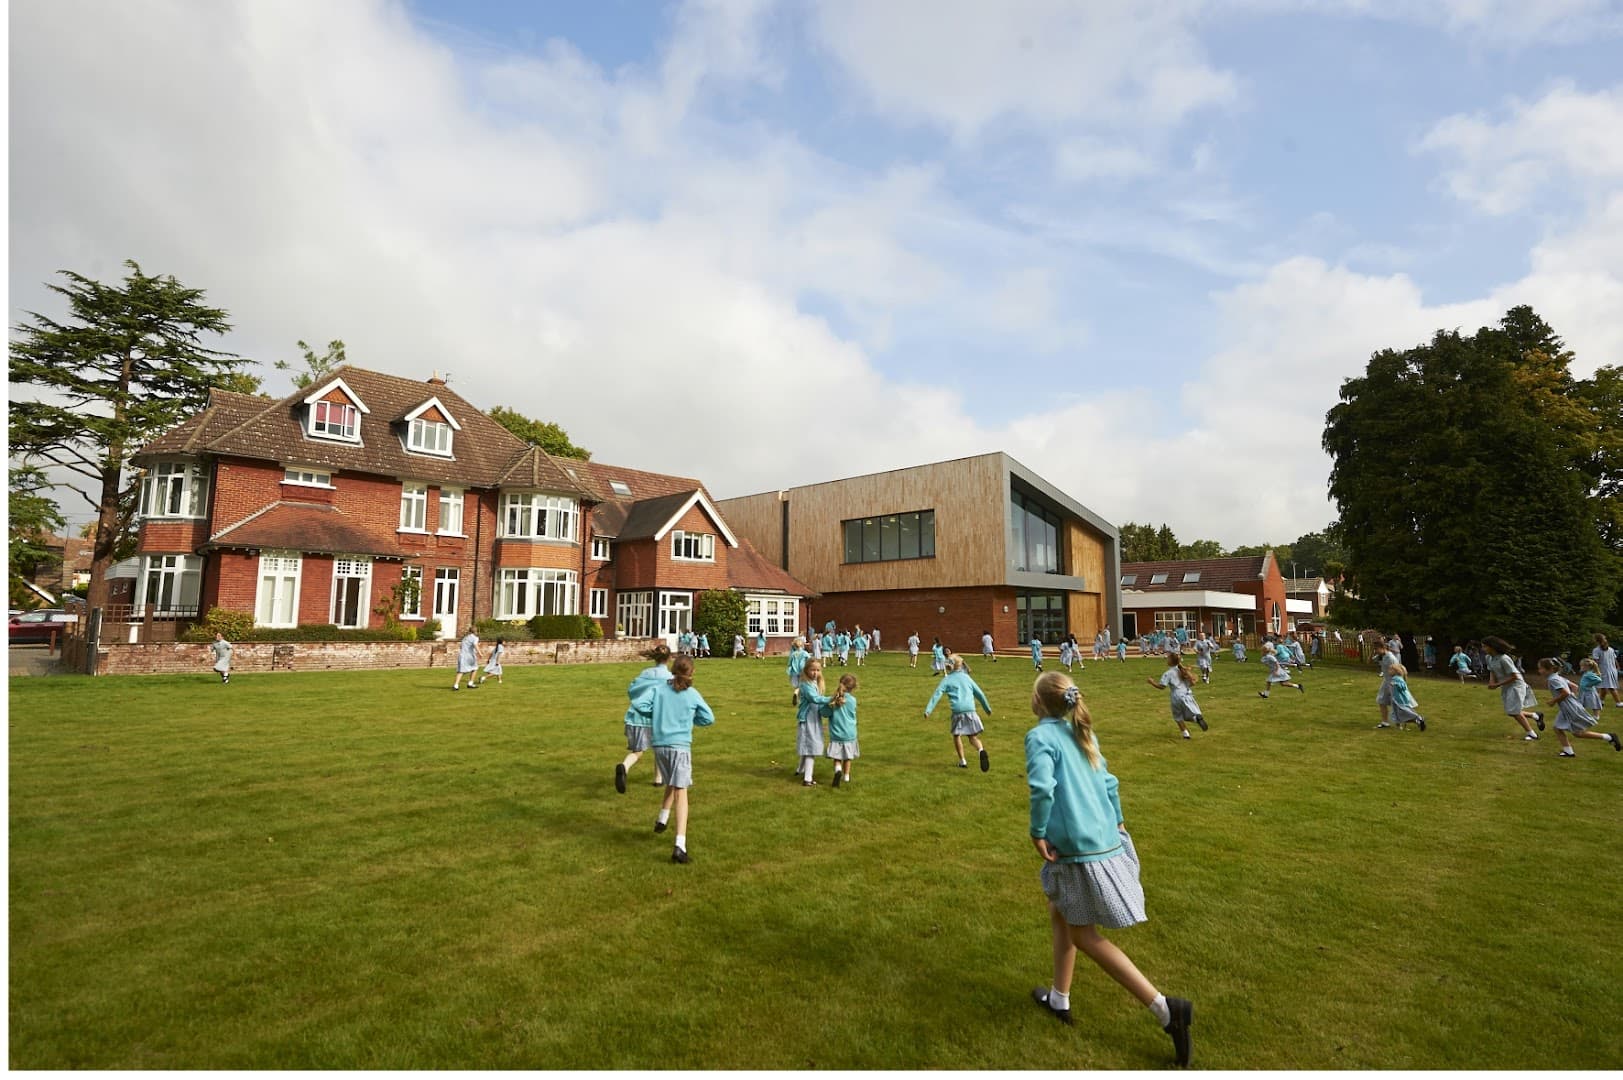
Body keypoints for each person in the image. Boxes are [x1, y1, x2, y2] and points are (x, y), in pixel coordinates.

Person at [1024, 672, 1194, 1067]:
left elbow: (1042, 789)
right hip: (1102, 836)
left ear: (1039, 703)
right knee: (1059, 910)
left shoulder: (1041, 736)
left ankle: (1165, 1009)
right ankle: (1059, 998)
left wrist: (1037, 832)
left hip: (1077, 847)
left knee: (1083, 935)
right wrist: (1117, 820)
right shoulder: (1081, 731)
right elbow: (1108, 782)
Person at [630, 655, 715, 864]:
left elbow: (638, 704)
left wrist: (655, 714)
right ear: (692, 673)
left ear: (672, 670)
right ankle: (680, 845)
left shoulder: (659, 690)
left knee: (672, 781)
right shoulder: (692, 694)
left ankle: (662, 818)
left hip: (660, 746)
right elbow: (709, 718)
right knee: (681, 791)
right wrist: (691, 719)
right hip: (680, 746)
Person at [1537, 657, 1622, 758]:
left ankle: (1609, 737)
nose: (1539, 670)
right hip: (1567, 707)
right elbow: (1574, 687)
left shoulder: (1553, 680)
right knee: (1557, 728)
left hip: (1570, 708)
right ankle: (1568, 752)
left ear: (1550, 669)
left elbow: (1565, 693)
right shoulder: (1558, 677)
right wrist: (1573, 698)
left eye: (1541, 668)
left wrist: (1553, 701)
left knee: (1578, 733)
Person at [617, 644, 672, 792]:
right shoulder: (669, 678)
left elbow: (631, 690)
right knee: (659, 748)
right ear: (669, 658)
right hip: (657, 718)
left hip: (637, 718)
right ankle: (658, 779)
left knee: (637, 751)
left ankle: (625, 766)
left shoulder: (645, 674)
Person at [925, 655, 993, 771]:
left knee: (957, 735)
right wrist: (987, 708)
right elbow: (979, 694)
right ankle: (981, 750)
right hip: (970, 710)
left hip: (957, 711)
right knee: (972, 737)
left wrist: (928, 710)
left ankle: (962, 761)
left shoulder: (947, 680)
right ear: (960, 665)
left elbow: (937, 694)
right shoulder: (967, 678)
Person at [1482, 636, 1545, 741]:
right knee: (1511, 711)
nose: (1483, 649)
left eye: (1485, 646)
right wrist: (1491, 682)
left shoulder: (1504, 659)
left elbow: (1515, 676)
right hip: (1506, 686)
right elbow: (1492, 670)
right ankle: (1535, 716)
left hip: (1516, 686)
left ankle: (1532, 734)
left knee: (1514, 711)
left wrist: (1497, 685)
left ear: (1492, 647)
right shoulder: (1488, 658)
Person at [1146, 653, 1206, 739]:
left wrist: (1152, 682)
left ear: (1171, 661)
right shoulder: (1183, 671)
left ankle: (1186, 734)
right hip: (1187, 694)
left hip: (1176, 696)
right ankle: (1197, 718)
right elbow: (1191, 683)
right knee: (1188, 714)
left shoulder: (1168, 673)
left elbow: (1162, 686)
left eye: (1168, 659)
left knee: (1178, 716)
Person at [795, 658, 833, 785]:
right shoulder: (805, 685)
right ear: (806, 670)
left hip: (814, 719)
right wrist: (831, 699)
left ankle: (800, 770)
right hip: (807, 719)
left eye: (818, 670)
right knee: (810, 748)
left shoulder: (814, 683)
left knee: (808, 745)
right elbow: (815, 699)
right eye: (812, 670)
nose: (815, 673)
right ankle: (807, 779)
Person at [825, 673, 860, 788]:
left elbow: (825, 713)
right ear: (854, 687)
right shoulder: (853, 700)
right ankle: (846, 776)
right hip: (850, 733)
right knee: (848, 757)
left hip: (837, 733)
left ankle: (838, 769)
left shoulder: (833, 700)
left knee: (837, 756)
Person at [1379, 663, 1426, 731]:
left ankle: (1418, 718)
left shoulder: (1397, 678)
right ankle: (1401, 726)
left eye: (1391, 669)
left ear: (1396, 671)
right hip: (1395, 700)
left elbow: (1403, 686)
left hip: (1399, 700)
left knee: (1404, 712)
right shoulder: (1394, 678)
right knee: (1397, 714)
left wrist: (1396, 684)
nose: (1389, 671)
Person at [1591, 634, 1621, 708]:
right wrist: (1618, 667)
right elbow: (1615, 660)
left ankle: (1618, 703)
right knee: (1604, 687)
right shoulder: (1611, 649)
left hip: (1603, 671)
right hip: (1612, 670)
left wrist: (1594, 671)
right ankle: (1600, 702)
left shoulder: (1596, 650)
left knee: (1611, 687)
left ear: (1596, 641)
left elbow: (1595, 662)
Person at [1373, 639, 1397, 726]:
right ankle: (1385, 722)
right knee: (1381, 700)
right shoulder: (1380, 656)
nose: (1375, 651)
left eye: (1376, 649)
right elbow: (1370, 661)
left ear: (1383, 647)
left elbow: (1397, 670)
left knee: (1398, 704)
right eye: (1374, 649)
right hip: (1386, 681)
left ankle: (1417, 719)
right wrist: (1373, 652)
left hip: (1393, 682)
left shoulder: (1390, 657)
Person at [786, 638, 809, 707]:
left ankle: (797, 697)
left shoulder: (793, 654)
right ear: (802, 645)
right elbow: (810, 660)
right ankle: (798, 696)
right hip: (802, 671)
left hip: (794, 672)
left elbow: (789, 663)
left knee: (797, 686)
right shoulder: (804, 653)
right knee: (802, 686)